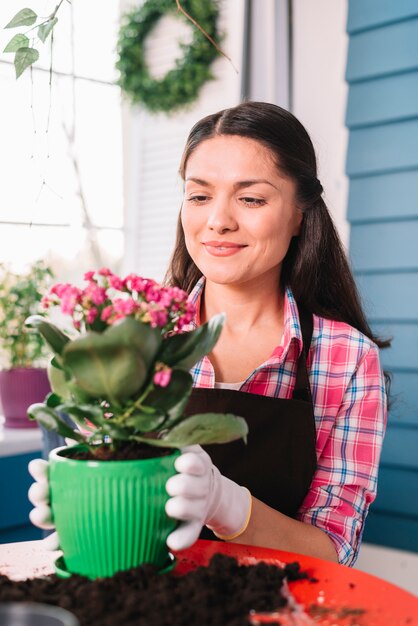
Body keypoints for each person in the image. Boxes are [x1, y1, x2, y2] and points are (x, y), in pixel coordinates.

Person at [28, 101, 388, 566]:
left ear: (300, 215)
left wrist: (230, 507)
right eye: (199, 196)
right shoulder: (132, 337)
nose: (218, 220)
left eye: (251, 198)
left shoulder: (347, 359)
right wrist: (82, 512)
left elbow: (333, 551)